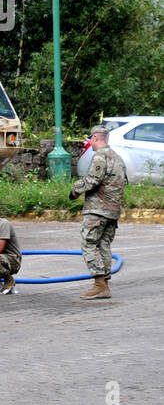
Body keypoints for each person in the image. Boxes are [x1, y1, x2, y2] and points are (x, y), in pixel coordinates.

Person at [70, 122, 127, 299]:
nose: (90, 143)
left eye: (91, 139)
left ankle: (99, 284)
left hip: (98, 210)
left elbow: (93, 180)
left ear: (95, 138)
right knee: (103, 244)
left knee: (89, 243)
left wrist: (75, 190)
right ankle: (104, 285)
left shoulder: (100, 157)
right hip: (113, 211)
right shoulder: (118, 158)